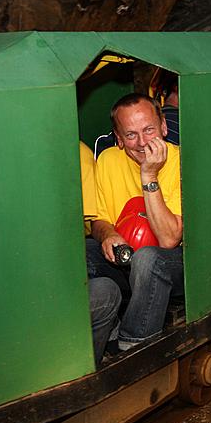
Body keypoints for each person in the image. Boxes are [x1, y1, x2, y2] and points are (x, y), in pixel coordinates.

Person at [86, 94, 184, 351]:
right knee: (81, 252)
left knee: (148, 259)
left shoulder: (182, 161)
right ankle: (106, 324)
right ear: (118, 138)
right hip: (125, 257)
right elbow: (99, 220)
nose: (142, 143)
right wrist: (107, 234)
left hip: (174, 262)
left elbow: (169, 239)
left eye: (149, 130)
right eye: (130, 135)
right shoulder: (108, 160)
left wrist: (149, 174)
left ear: (163, 126)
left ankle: (134, 345)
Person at [79, 141, 122, 365]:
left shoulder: (81, 154)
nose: (142, 142)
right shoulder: (97, 157)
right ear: (120, 138)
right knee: (107, 291)